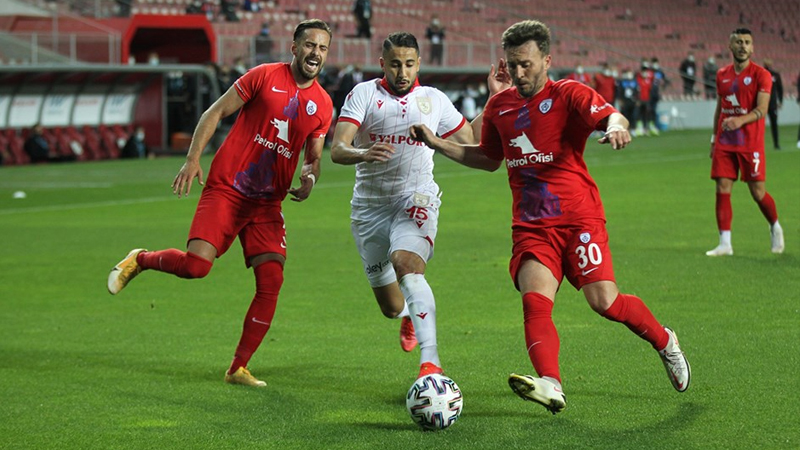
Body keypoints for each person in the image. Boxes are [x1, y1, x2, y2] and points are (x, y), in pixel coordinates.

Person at [409, 19, 691, 415]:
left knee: (604, 302)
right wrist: (437, 144)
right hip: (532, 225)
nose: (519, 72)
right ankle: (551, 383)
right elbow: (488, 158)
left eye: (526, 64)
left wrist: (616, 128)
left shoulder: (568, 93)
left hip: (579, 218)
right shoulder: (500, 105)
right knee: (535, 302)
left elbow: (612, 116)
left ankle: (665, 341)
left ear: (547, 60)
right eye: (513, 64)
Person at [106, 19, 334, 388]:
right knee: (196, 267)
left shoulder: (323, 104)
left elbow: (314, 157)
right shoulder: (263, 76)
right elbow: (214, 112)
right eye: (310, 45)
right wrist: (192, 158)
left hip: (267, 204)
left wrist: (309, 177)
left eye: (322, 48)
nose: (315, 53)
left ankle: (237, 368)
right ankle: (141, 259)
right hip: (229, 187)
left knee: (271, 279)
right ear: (294, 48)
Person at [329, 31, 505, 379]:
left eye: (409, 64)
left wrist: (494, 99)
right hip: (369, 208)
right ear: (383, 64)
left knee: (407, 264)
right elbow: (338, 148)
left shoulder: (433, 99)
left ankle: (431, 365)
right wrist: (363, 152)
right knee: (391, 305)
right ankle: (408, 314)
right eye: (395, 64)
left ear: (419, 64)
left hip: (416, 198)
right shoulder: (364, 94)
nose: (402, 72)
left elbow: (471, 139)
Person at [707, 28, 784, 256]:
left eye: (747, 42)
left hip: (750, 143)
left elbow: (762, 109)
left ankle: (775, 226)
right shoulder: (722, 74)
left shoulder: (762, 75)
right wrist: (714, 139)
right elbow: (719, 109)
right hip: (725, 141)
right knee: (722, 187)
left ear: (752, 48)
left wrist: (739, 121)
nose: (743, 46)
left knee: (757, 192)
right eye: (738, 42)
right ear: (730, 46)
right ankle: (725, 243)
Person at [762, 59, 783, 150]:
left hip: (772, 104)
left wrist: (780, 101)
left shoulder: (775, 75)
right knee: (760, 125)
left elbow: (780, 89)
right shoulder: (760, 74)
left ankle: (776, 144)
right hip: (762, 104)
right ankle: (759, 144)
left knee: (774, 124)